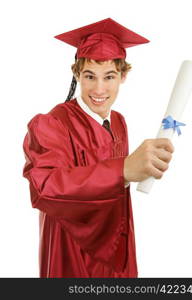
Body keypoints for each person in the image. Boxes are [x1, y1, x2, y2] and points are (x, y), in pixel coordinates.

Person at [22, 18, 174, 278]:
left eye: (110, 76)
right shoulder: (51, 124)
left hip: (116, 250)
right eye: (90, 76)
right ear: (76, 74)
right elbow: (45, 189)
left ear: (123, 75)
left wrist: (147, 166)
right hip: (72, 253)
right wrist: (123, 170)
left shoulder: (118, 122)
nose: (99, 88)